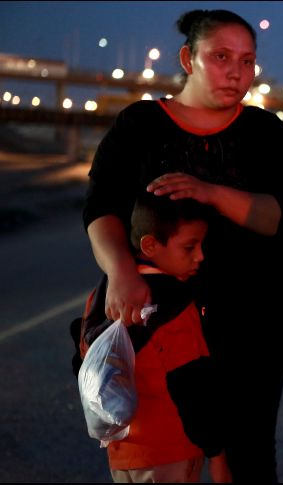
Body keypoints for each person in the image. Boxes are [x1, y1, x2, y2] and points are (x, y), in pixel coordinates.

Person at [83, 9, 283, 483]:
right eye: (221, 56)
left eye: (247, 61)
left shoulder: (267, 134)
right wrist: (122, 274)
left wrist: (210, 193)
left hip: (253, 326)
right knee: (161, 462)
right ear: (188, 58)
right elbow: (101, 208)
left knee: (245, 461)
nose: (237, 72)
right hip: (157, 328)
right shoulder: (140, 126)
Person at [77, 194, 229, 483]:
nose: (201, 256)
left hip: (123, 453)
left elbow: (85, 365)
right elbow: (193, 387)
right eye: (189, 247)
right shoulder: (176, 304)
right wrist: (217, 453)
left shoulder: (102, 297)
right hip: (171, 451)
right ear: (149, 245)